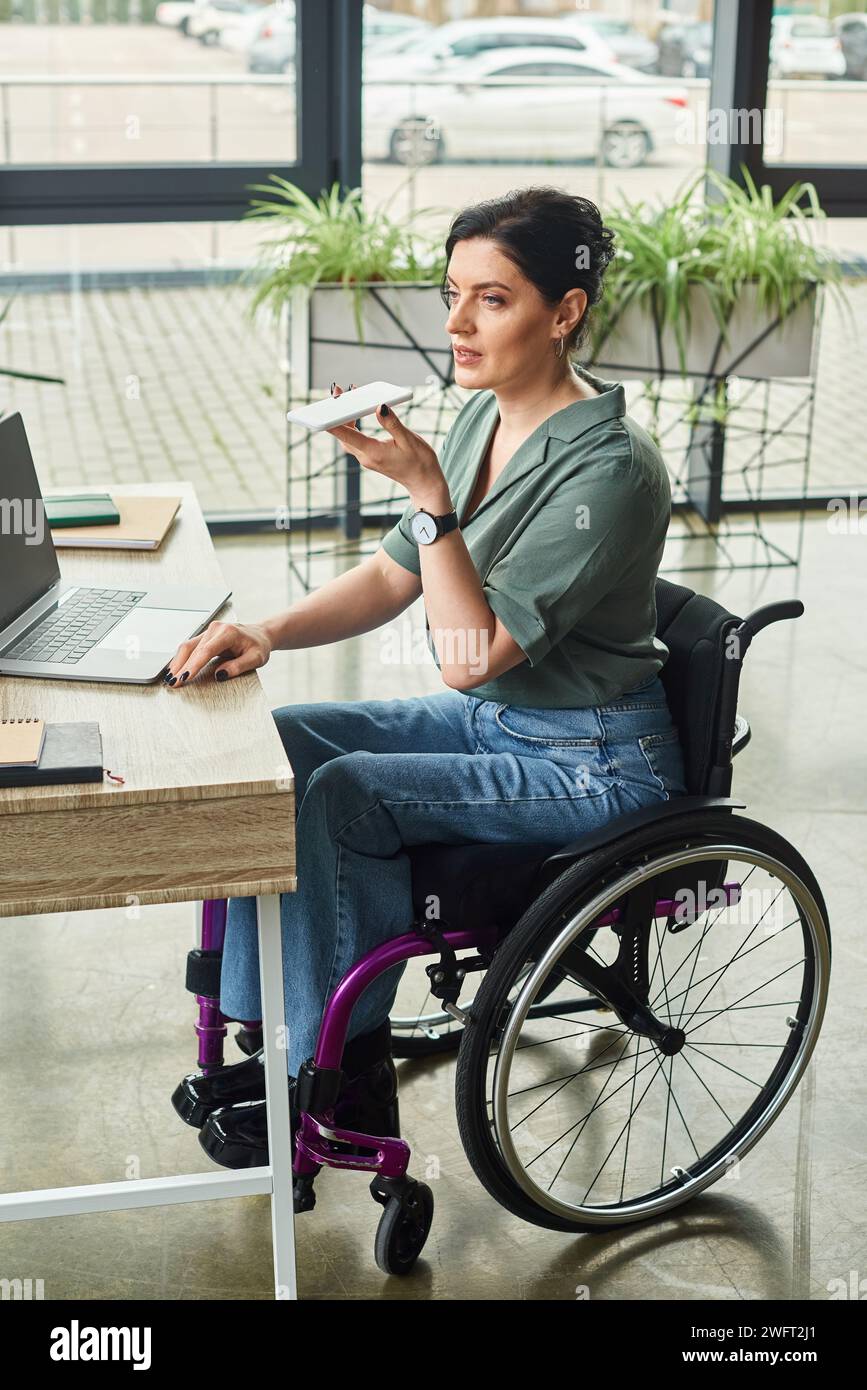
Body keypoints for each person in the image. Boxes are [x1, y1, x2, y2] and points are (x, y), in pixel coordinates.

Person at [167, 185, 688, 1169]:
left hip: (594, 763)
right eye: (452, 294)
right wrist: (265, 632)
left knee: (349, 792)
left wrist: (429, 499)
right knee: (279, 741)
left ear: (564, 312)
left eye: (491, 300)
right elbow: (393, 574)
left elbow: (469, 654)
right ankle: (276, 1025)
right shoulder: (481, 419)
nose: (455, 323)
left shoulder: (611, 471)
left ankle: (340, 1080)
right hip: (501, 725)